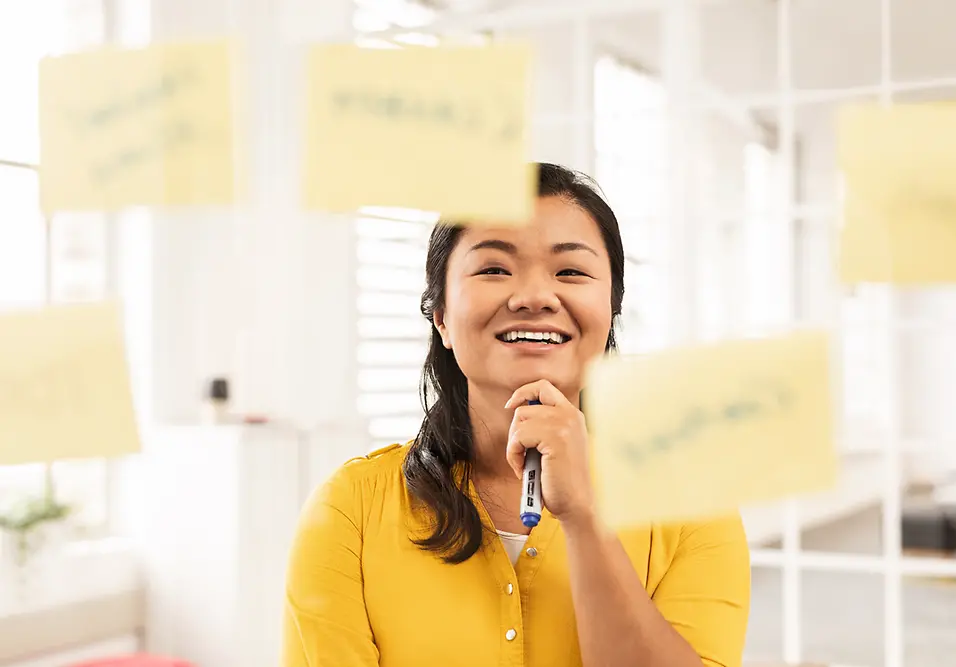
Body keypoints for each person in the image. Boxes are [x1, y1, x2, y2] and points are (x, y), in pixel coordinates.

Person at [282, 163, 750, 667]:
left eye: (570, 271)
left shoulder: (695, 508)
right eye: (493, 269)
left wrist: (584, 518)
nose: (533, 297)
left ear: (611, 307)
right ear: (440, 315)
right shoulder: (348, 513)